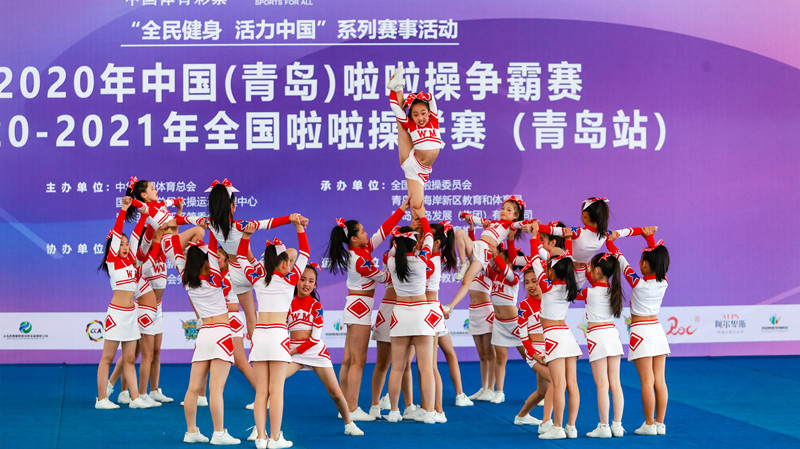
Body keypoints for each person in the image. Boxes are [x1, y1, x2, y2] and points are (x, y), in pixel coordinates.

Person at [325, 200, 409, 420]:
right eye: (362, 231)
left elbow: (383, 231)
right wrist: (405, 262)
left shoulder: (360, 251)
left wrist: (403, 209)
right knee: (357, 361)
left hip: (356, 307)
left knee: (348, 360)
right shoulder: (359, 259)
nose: (366, 233)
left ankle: (344, 407)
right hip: (359, 309)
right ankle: (352, 408)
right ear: (353, 238)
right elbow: (385, 278)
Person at [238, 215, 308, 449]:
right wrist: (298, 227)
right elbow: (305, 253)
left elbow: (241, 257)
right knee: (276, 391)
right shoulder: (290, 281)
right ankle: (275, 438)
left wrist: (246, 236)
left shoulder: (258, 280)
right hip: (278, 337)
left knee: (261, 392)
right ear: (285, 264)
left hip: (260, 336)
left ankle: (261, 437)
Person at [286, 263, 364, 436]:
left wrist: (292, 351)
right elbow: (282, 330)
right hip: (294, 353)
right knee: (274, 382)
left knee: (336, 393)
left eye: (311, 281)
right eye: (303, 279)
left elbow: (314, 339)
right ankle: (261, 427)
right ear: (296, 281)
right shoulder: (288, 305)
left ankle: (349, 423)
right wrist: (287, 349)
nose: (306, 284)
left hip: (314, 352)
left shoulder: (316, 306)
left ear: (315, 285)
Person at [606, 227, 669, 436]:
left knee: (646, 381)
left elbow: (619, 258)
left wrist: (612, 241)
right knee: (660, 380)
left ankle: (649, 424)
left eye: (642, 260)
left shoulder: (638, 283)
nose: (640, 263)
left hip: (641, 332)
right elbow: (655, 256)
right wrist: (648, 236)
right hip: (657, 331)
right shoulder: (664, 282)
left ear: (645, 264)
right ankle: (660, 423)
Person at [95, 198, 151, 410]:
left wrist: (144, 215)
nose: (126, 247)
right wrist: (124, 209)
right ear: (114, 246)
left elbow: (136, 234)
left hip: (130, 314)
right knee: (107, 358)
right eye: (121, 244)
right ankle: (101, 399)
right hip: (116, 315)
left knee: (129, 358)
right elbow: (117, 232)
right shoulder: (113, 261)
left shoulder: (130, 261)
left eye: (127, 244)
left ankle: (135, 398)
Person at [527, 224, 582, 440]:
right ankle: (571, 427)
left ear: (551, 271)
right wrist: (567, 241)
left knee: (559, 384)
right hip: (567, 336)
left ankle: (558, 428)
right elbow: (567, 262)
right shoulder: (569, 285)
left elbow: (534, 259)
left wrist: (534, 236)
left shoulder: (547, 286)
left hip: (553, 337)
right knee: (572, 384)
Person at [385, 215, 439, 424]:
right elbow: (429, 237)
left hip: (400, 315)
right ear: (415, 244)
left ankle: (393, 411)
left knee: (397, 368)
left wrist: (400, 239)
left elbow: (394, 248)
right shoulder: (421, 259)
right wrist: (423, 217)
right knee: (426, 368)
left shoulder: (391, 261)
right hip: (421, 314)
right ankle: (429, 413)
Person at [576, 252, 627, 438]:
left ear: (597, 270)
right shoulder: (613, 290)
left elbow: (571, 292)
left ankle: (604, 426)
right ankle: (617, 425)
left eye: (592, 270)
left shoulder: (589, 293)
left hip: (597, 337)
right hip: (613, 336)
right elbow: (597, 283)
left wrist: (581, 271)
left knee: (602, 385)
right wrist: (589, 271)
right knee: (616, 383)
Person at [387, 62, 441, 212]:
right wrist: (393, 92)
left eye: (423, 113)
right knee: (417, 207)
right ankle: (397, 86)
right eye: (415, 115)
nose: (421, 118)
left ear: (429, 113)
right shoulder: (411, 125)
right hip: (414, 167)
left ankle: (397, 85)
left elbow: (431, 98)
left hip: (425, 168)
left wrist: (415, 97)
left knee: (417, 209)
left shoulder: (434, 120)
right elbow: (396, 108)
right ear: (411, 116)